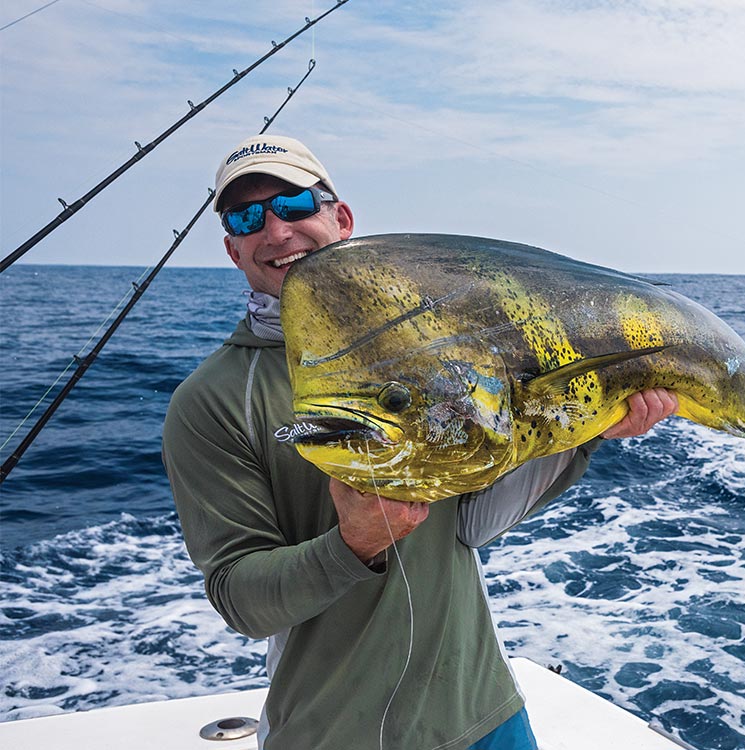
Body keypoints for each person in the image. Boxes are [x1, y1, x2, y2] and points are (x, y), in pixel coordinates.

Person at [162, 134, 678, 750]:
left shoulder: (440, 345)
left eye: (296, 204)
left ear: (341, 217)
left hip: (486, 715)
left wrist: (585, 434)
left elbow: (473, 519)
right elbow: (241, 600)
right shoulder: (212, 400)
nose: (276, 232)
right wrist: (352, 544)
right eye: (248, 217)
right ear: (232, 248)